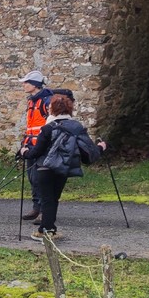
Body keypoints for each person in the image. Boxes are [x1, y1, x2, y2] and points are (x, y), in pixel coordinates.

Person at [18, 93, 106, 242]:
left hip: (44, 168)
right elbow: (88, 152)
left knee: (47, 199)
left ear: (51, 109)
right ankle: (50, 229)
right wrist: (101, 147)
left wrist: (24, 152)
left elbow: (36, 152)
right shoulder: (76, 127)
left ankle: (45, 231)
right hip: (63, 168)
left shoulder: (47, 128)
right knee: (54, 199)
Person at [18, 69, 55, 222]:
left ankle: (44, 211)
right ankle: (36, 207)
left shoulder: (47, 101)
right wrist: (25, 143)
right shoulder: (32, 101)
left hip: (43, 146)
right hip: (31, 146)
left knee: (41, 179)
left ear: (34, 85)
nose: (24, 85)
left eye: (26, 83)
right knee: (32, 178)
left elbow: (52, 124)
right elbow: (31, 126)